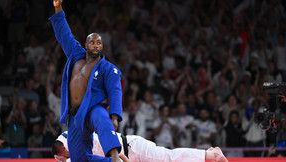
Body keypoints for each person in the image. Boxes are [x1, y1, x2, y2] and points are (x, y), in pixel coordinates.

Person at [49, 0, 124, 161]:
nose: (95, 45)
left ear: (102, 46)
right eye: (92, 42)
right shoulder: (76, 55)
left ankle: (115, 156)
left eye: (99, 43)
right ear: (86, 44)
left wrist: (115, 117)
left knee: (102, 117)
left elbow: (115, 91)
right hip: (74, 115)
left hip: (92, 109)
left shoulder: (107, 68)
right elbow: (64, 33)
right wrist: (58, 7)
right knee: (80, 159)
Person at [53, 131, 228, 162]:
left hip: (132, 148)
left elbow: (118, 157)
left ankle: (210, 155)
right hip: (123, 156)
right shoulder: (63, 148)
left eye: (65, 157)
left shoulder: (84, 138)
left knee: (167, 158)